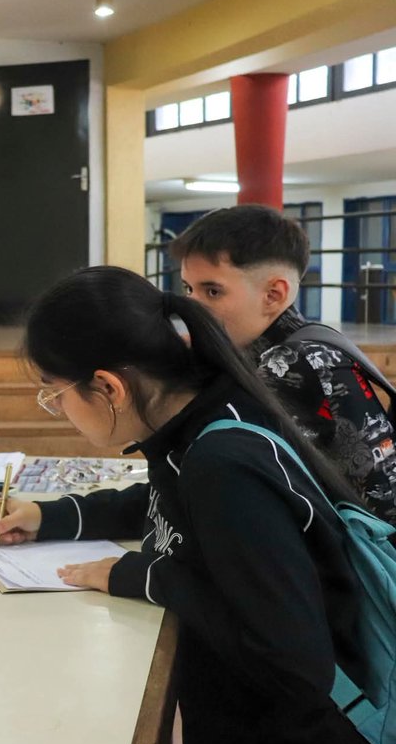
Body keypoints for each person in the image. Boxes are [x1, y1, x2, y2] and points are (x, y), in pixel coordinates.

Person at [0, 266, 373, 744]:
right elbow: (173, 506)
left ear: (109, 388)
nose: (58, 410)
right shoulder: (196, 423)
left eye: (54, 395)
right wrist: (50, 516)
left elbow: (294, 662)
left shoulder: (224, 465)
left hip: (291, 738)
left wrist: (138, 575)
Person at [170, 204, 396, 523]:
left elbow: (227, 478)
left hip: (366, 549)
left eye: (212, 291)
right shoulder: (296, 343)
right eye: (188, 289)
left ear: (273, 295)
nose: (192, 307)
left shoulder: (292, 362)